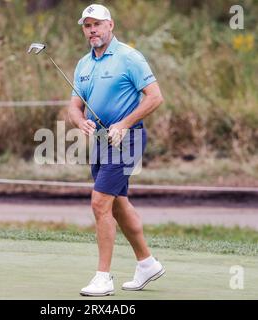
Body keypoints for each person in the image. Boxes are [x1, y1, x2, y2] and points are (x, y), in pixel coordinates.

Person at [68, 4, 165, 296]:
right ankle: (147, 263)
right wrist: (79, 121)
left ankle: (103, 277)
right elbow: (74, 105)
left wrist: (123, 123)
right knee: (118, 204)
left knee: (99, 203)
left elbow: (155, 97)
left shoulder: (129, 57)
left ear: (111, 25)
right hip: (100, 142)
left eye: (97, 24)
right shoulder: (84, 64)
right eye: (87, 25)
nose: (92, 30)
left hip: (127, 139)